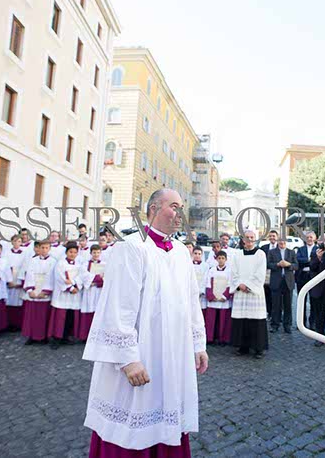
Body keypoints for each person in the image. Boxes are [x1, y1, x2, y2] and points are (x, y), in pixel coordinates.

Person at [83, 188, 208, 457]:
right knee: (133, 417)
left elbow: (191, 301)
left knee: (166, 411)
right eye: (174, 206)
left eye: (182, 208)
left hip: (173, 355)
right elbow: (118, 306)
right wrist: (128, 359)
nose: (180, 214)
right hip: (142, 353)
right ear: (153, 209)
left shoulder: (181, 252)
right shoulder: (131, 247)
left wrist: (198, 344)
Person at [231, 229, 268, 359]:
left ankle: (258, 348)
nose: (249, 240)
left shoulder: (260, 254)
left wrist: (248, 286)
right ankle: (243, 346)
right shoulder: (237, 255)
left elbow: (260, 273)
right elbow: (233, 272)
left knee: (256, 320)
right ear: (243, 239)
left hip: (254, 293)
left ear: (255, 239)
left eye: (252, 237)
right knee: (242, 320)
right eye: (247, 237)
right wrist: (239, 284)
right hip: (241, 291)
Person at [48, 242, 82, 349]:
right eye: (70, 252)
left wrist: (75, 285)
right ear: (66, 252)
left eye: (75, 252)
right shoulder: (60, 264)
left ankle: (66, 336)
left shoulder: (79, 264)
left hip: (74, 295)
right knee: (59, 317)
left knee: (70, 316)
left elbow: (81, 277)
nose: (72, 254)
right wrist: (70, 288)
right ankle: (56, 338)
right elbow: (60, 278)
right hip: (62, 294)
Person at [21, 241, 56, 345]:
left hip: (44, 291)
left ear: (49, 249)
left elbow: (51, 277)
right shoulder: (33, 260)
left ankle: (43, 337)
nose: (44, 250)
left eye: (46, 248)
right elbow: (29, 275)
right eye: (42, 247)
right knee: (32, 315)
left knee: (43, 316)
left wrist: (45, 291)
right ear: (38, 248)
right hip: (34, 289)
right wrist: (30, 290)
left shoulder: (53, 261)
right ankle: (31, 336)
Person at [267, 237, 298, 334]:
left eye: (283, 240)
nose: (282, 242)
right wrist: (277, 264)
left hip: (288, 282)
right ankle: (274, 325)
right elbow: (268, 264)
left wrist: (289, 265)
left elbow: (296, 266)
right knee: (276, 305)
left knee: (288, 305)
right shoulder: (272, 252)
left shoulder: (291, 252)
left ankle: (287, 326)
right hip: (276, 281)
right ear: (278, 241)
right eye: (280, 240)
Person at [204, 250, 233, 345]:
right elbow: (208, 283)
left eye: (223, 258)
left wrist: (224, 296)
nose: (221, 260)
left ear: (226, 259)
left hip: (223, 299)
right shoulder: (212, 270)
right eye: (219, 258)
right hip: (213, 299)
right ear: (216, 259)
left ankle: (223, 339)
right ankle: (210, 338)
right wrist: (211, 296)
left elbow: (230, 284)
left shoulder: (229, 271)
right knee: (211, 320)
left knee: (223, 320)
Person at [78, 245, 104, 342]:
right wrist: (98, 278)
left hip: (99, 291)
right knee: (88, 310)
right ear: (90, 253)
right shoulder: (85, 264)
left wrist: (97, 282)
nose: (96, 254)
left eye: (98, 252)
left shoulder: (104, 264)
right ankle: (85, 336)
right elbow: (84, 275)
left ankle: (97, 336)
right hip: (89, 291)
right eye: (94, 252)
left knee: (98, 311)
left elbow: (106, 277)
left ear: (100, 253)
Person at [295, 231, 318, 329]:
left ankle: (312, 323)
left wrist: (308, 261)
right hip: (302, 276)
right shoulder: (300, 249)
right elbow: (298, 260)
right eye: (307, 237)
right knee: (301, 301)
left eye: (311, 237)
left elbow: (317, 262)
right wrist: (310, 260)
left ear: (315, 238)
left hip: (313, 277)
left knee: (314, 301)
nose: (309, 239)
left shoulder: (318, 249)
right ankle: (301, 322)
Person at [5, 235, 27, 331]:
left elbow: (25, 266)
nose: (17, 243)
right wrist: (8, 280)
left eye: (19, 241)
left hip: (19, 277)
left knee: (18, 302)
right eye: (15, 241)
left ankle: (18, 324)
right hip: (9, 276)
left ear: (21, 242)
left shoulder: (25, 252)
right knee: (8, 302)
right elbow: (4, 266)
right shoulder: (6, 252)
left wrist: (20, 282)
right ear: (12, 242)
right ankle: (8, 323)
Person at [260, 230, 278, 318]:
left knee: (276, 296)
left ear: (277, 237)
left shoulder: (280, 247)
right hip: (266, 274)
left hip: (277, 273)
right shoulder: (264, 248)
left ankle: (276, 314)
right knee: (267, 294)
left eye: (273, 236)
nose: (272, 238)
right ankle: (268, 312)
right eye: (270, 236)